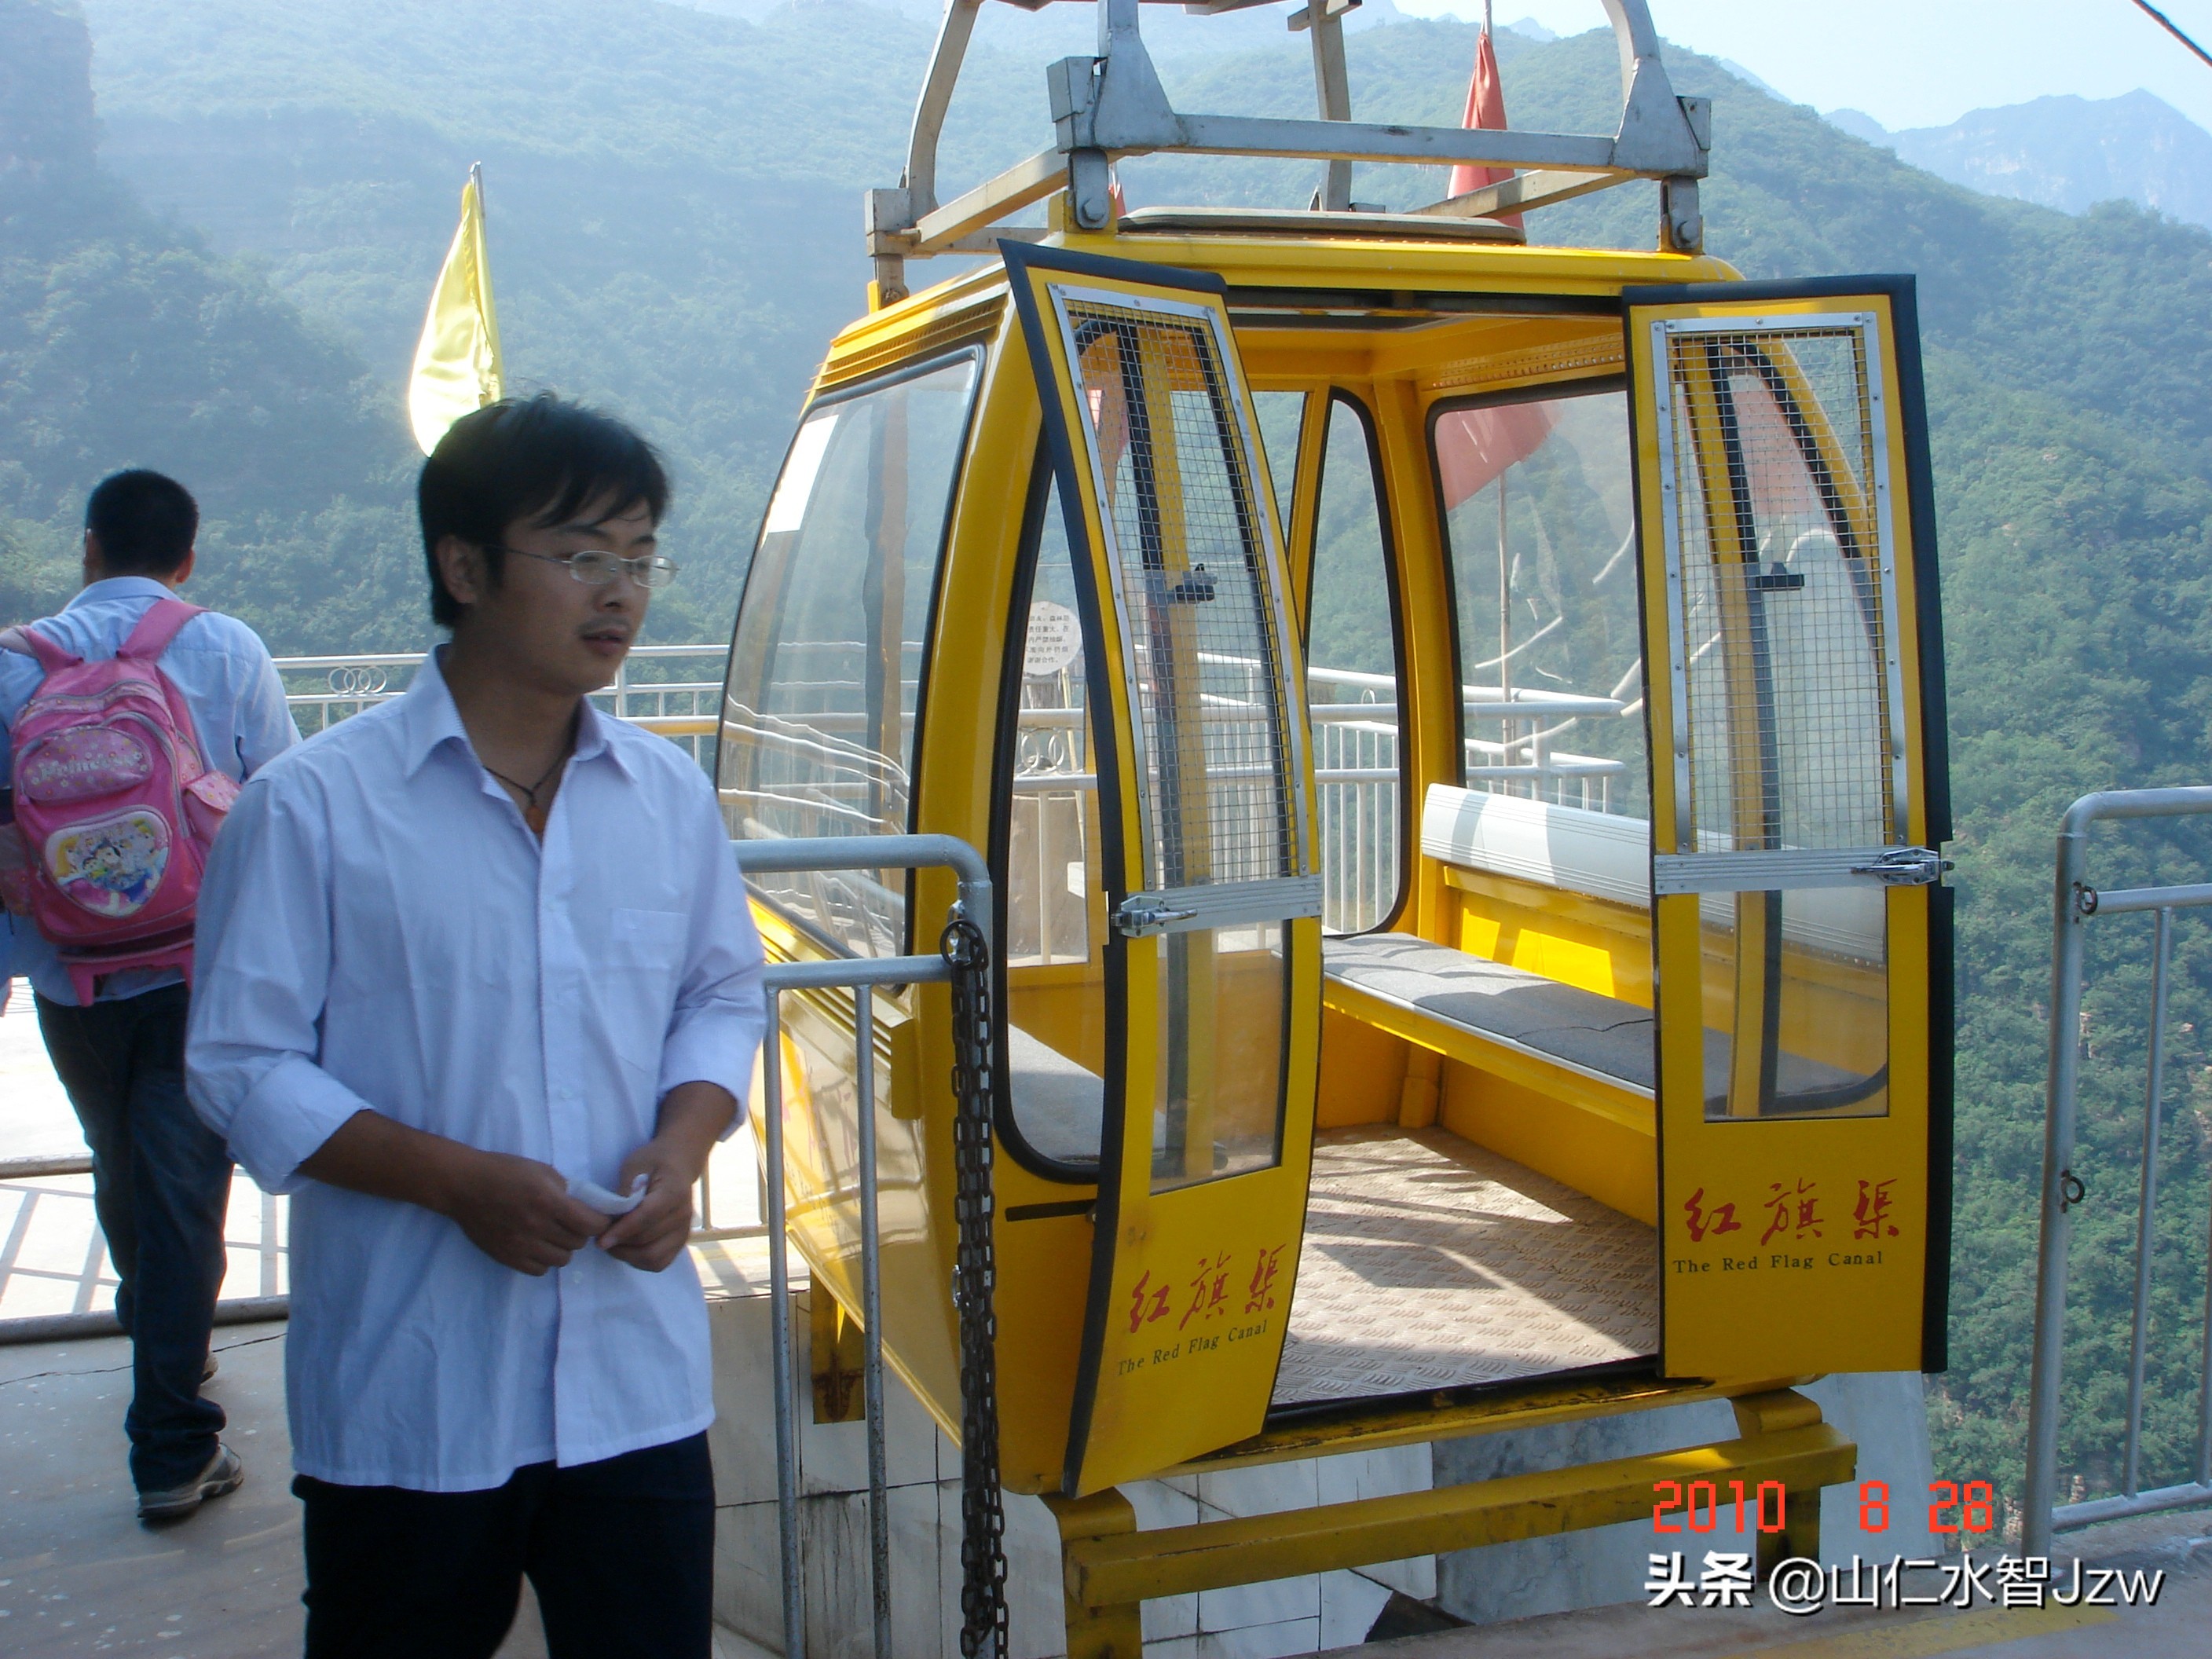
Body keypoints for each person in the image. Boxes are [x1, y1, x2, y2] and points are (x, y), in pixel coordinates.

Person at [186, 394, 765, 1659]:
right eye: (579, 556)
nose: (620, 592)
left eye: (639, 555)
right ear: (464, 566)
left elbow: (720, 995)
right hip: (416, 1390)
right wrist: (457, 1185)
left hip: (634, 1385)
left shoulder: (665, 795)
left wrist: (685, 1145)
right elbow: (239, 1065)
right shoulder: (314, 810)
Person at [0, 469, 297, 1521]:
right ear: (187, 558)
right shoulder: (223, 648)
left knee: (125, 1162)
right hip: (196, 968)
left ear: (88, 550)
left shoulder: (13, 664)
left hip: (66, 976)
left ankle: (162, 1337)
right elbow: (280, 805)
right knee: (181, 1186)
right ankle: (173, 1436)